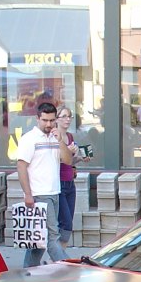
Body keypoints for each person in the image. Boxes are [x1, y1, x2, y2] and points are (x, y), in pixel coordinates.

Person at [16, 102, 67, 267]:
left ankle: (26, 272)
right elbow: (21, 166)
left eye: (52, 120)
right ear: (37, 118)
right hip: (39, 193)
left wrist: (60, 141)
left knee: (38, 238)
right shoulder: (29, 139)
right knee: (53, 237)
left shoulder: (56, 136)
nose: (48, 124)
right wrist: (28, 194)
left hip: (54, 191)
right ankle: (70, 269)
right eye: (45, 120)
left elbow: (67, 160)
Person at [53, 106, 90, 253]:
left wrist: (80, 158)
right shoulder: (54, 137)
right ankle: (58, 257)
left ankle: (58, 255)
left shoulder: (70, 137)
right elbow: (53, 161)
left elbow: (69, 162)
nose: (67, 119)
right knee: (65, 223)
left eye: (69, 116)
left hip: (70, 183)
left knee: (67, 223)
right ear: (57, 119)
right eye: (64, 116)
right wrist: (68, 151)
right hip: (58, 183)